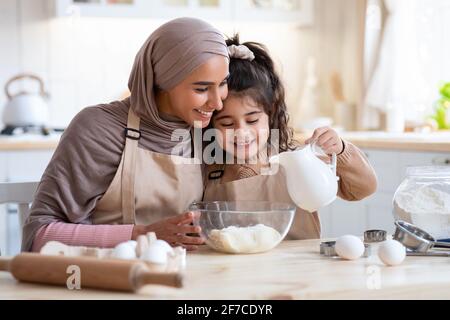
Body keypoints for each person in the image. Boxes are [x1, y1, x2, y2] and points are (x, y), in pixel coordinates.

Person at [23, 17, 229, 252]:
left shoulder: (209, 130)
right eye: (201, 88)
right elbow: (39, 236)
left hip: (193, 278)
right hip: (107, 281)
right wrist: (141, 234)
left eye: (223, 83)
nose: (218, 102)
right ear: (162, 82)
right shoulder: (97, 129)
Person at [203, 35, 377, 239]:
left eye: (252, 121)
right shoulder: (207, 169)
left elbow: (363, 189)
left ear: (271, 113)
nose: (241, 132)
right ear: (211, 124)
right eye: (227, 124)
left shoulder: (297, 158)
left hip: (298, 266)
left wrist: (341, 151)